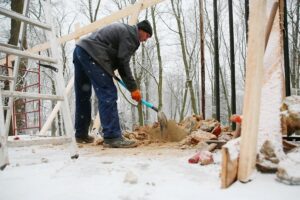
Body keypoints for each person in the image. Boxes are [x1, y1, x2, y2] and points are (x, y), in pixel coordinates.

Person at [73, 20, 152, 148]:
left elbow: (116, 56)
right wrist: (133, 89)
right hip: (93, 53)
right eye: (147, 36)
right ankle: (113, 137)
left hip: (80, 50)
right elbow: (123, 62)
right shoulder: (131, 35)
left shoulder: (124, 31)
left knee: (83, 94)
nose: (146, 40)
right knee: (108, 92)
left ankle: (81, 134)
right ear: (141, 30)